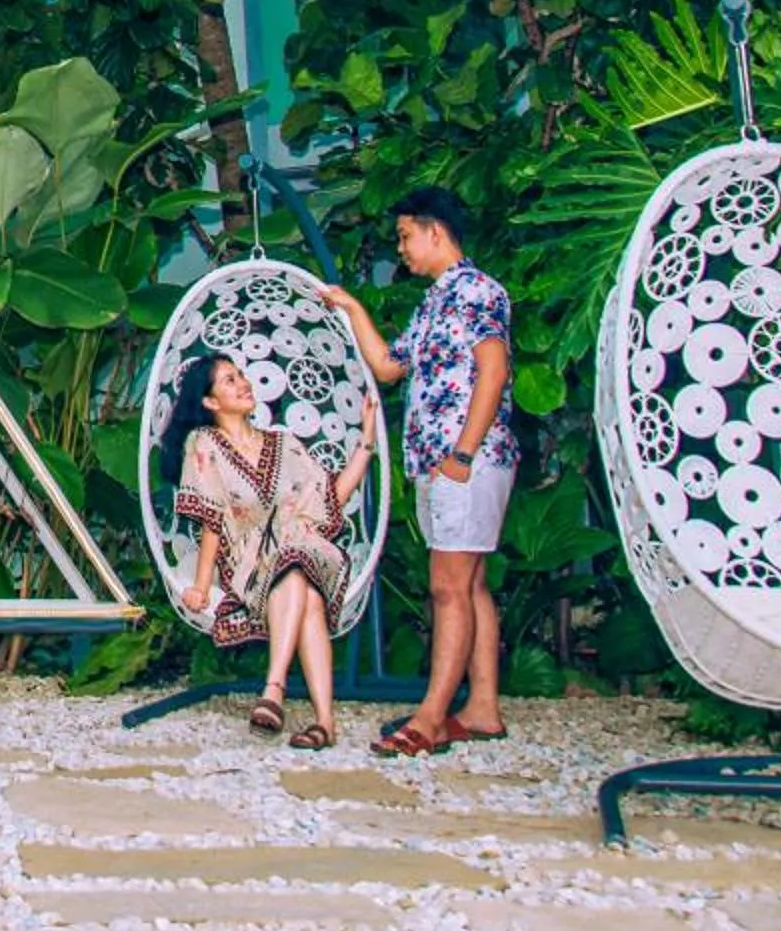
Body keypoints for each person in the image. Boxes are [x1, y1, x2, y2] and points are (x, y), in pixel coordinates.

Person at [323, 185, 519, 758]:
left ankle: (431, 718)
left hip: (467, 462)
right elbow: (388, 367)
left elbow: (494, 369)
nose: (401, 249)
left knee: (447, 587)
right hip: (440, 463)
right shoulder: (435, 301)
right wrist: (353, 309)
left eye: (406, 237)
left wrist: (462, 454)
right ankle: (482, 709)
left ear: (437, 232)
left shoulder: (478, 291)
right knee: (471, 583)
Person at [159, 351, 379, 749]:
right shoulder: (204, 444)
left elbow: (329, 498)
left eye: (242, 375)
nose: (243, 383)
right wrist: (201, 584)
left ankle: (273, 690)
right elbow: (213, 516)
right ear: (210, 402)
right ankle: (324, 723)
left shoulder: (285, 444)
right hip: (251, 564)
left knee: (297, 561)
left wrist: (366, 443)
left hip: (307, 548)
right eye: (229, 380)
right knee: (307, 594)